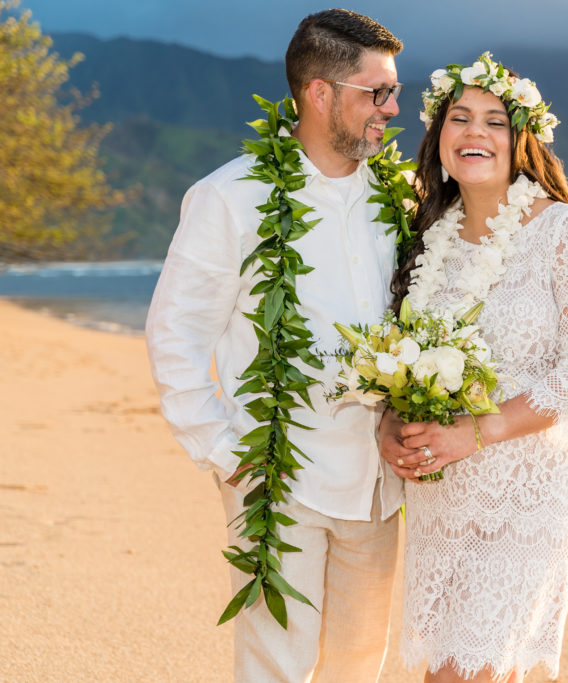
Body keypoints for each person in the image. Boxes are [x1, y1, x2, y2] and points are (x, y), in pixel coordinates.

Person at [145, 10, 405, 682]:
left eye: (393, 91)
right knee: (276, 664)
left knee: (358, 659)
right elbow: (175, 333)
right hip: (278, 478)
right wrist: (228, 453)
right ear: (319, 93)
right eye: (376, 92)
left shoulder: (397, 199)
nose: (393, 108)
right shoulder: (231, 198)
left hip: (378, 482)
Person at [381, 53, 568, 682]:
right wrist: (389, 425)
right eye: (459, 118)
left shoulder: (565, 231)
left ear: (522, 140)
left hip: (533, 481)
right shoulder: (425, 234)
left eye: (495, 120)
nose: (475, 133)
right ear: (439, 138)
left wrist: (475, 433)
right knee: (460, 666)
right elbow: (396, 353)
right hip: (444, 489)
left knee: (469, 670)